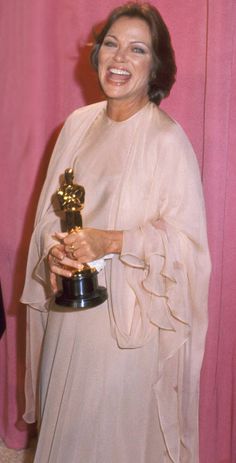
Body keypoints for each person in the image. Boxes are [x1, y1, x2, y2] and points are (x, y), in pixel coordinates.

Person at [21, 3, 211, 462]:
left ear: (156, 65)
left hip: (127, 330)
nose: (119, 58)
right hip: (68, 314)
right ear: (97, 54)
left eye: (137, 49)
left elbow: (189, 250)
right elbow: (51, 215)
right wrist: (55, 253)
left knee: (109, 440)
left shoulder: (167, 140)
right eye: (111, 44)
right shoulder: (76, 127)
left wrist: (112, 241)